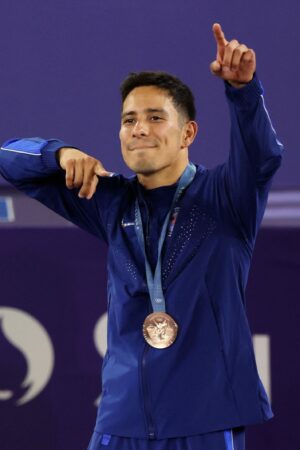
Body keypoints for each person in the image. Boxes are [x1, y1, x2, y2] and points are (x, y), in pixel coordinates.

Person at [0, 23, 283, 450]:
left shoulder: (226, 198)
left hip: (204, 423)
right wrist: (58, 153)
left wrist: (244, 93)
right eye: (129, 119)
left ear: (188, 133)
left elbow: (263, 157)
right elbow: (6, 160)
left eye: (155, 117)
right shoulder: (109, 199)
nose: (139, 129)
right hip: (120, 424)